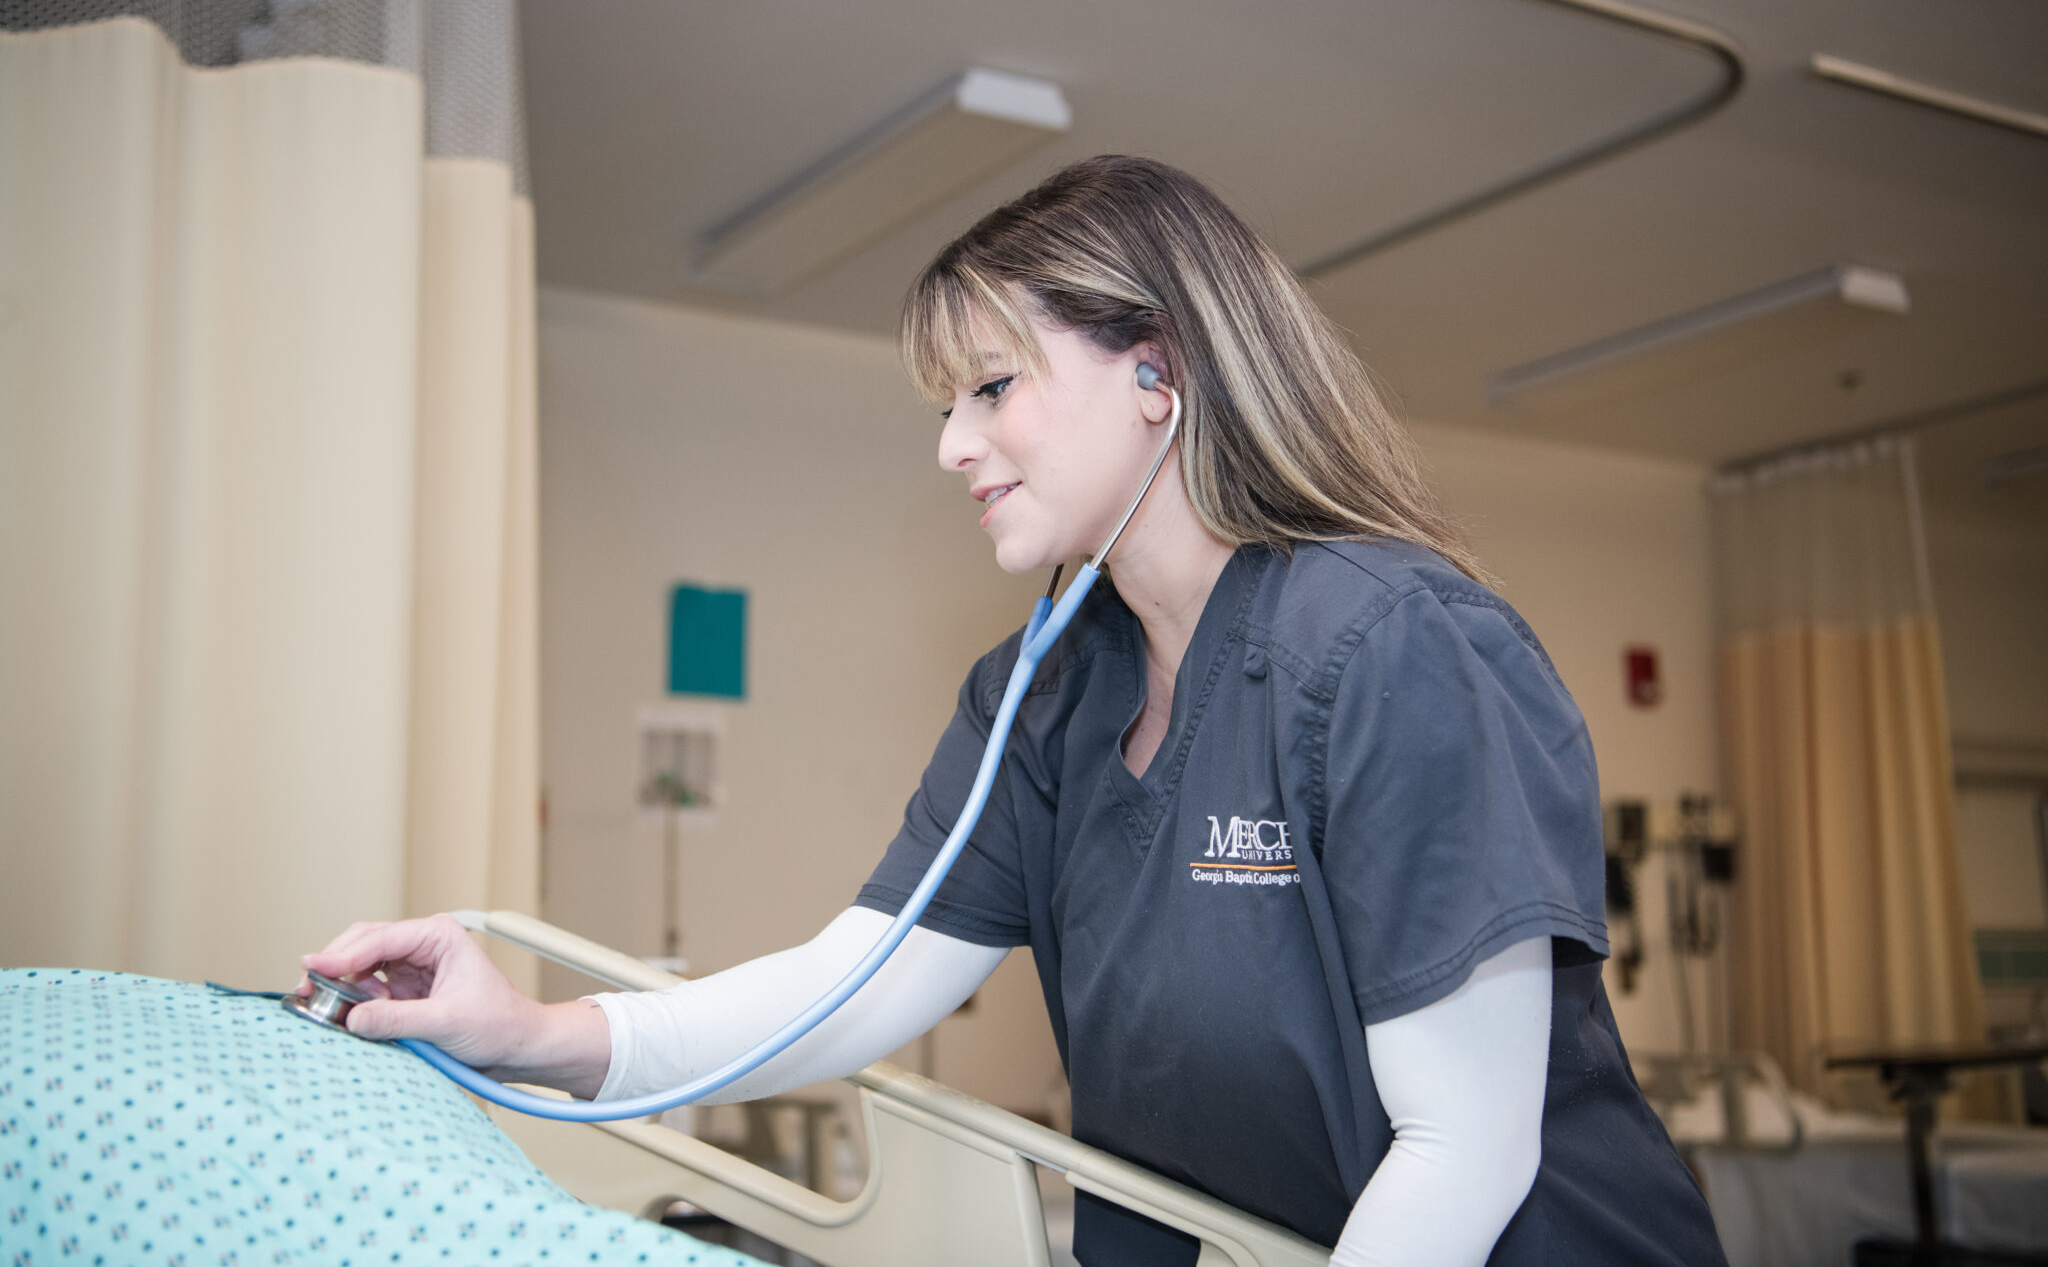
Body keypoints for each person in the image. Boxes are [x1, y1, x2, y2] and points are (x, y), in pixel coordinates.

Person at [302, 157, 1727, 1266]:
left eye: (991, 386)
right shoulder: (1046, 695)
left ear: (1160, 371)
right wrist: (534, 1028)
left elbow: (1461, 1148)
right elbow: (846, 984)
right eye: (946, 402)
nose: (950, 445)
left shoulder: (1393, 646)